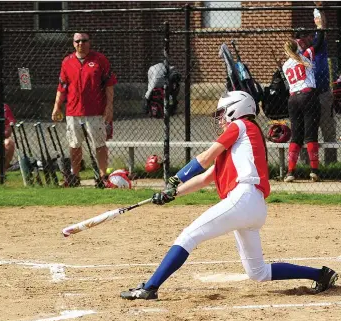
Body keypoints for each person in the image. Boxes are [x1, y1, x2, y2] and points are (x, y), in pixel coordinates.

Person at [120, 91, 338, 301]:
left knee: (188, 236)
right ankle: (321, 275)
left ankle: (150, 288)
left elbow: (205, 157)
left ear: (236, 110)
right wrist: (171, 194)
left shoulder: (240, 125)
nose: (220, 119)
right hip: (253, 206)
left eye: (223, 112)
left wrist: (176, 178)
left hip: (243, 197)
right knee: (257, 272)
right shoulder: (239, 147)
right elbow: (205, 178)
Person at [52, 32, 117, 188]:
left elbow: (109, 85)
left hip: (95, 111)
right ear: (73, 43)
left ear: (89, 42)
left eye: (84, 41)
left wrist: (109, 107)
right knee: (74, 145)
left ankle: (102, 176)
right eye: (77, 41)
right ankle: (74, 175)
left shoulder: (99, 60)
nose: (81, 44)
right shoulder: (67, 62)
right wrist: (56, 106)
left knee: (99, 144)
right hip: (73, 111)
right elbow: (62, 87)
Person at [297, 5, 338, 164]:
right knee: (307, 131)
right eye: (300, 37)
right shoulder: (298, 53)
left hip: (322, 93)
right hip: (306, 97)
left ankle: (332, 163)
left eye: (306, 36)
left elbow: (322, 27)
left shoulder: (318, 45)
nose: (304, 39)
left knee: (328, 130)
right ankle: (306, 165)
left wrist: (319, 9)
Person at [282, 31, 324, 183]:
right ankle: (314, 171)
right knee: (311, 135)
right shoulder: (305, 56)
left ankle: (290, 172)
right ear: (298, 47)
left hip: (293, 99)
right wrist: (320, 27)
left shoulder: (285, 65)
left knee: (296, 136)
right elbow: (318, 43)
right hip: (308, 96)